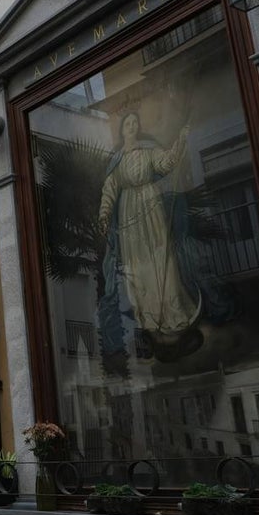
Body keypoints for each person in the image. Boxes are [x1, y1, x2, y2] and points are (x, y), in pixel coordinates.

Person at [98, 112, 199, 352]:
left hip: (151, 207)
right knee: (137, 267)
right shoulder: (117, 162)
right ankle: (149, 320)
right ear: (122, 130)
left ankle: (172, 314)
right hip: (128, 214)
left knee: (162, 257)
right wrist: (104, 214)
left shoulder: (148, 152)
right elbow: (109, 191)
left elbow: (167, 163)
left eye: (135, 122)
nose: (132, 126)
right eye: (127, 123)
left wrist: (181, 140)